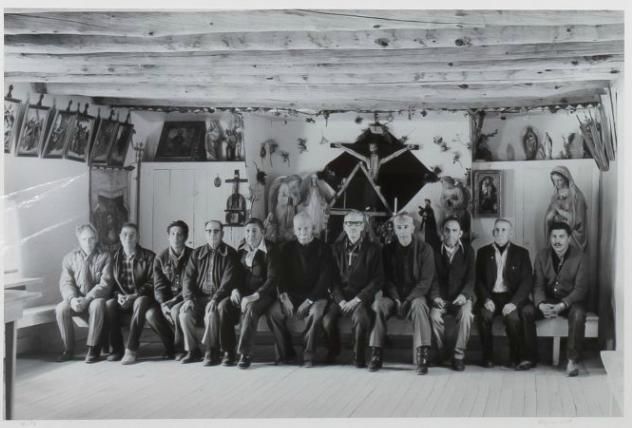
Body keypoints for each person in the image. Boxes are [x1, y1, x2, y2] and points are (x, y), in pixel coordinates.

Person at [370, 213, 435, 374]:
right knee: (378, 305)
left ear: (412, 228)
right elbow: (385, 279)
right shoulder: (387, 250)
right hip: (393, 297)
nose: (403, 231)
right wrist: (396, 299)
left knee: (419, 306)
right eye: (399, 227)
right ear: (395, 230)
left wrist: (408, 299)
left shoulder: (425, 249)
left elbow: (425, 281)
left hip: (415, 296)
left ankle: (422, 356)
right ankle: (376, 353)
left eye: (406, 227)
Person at [268, 212, 334, 367]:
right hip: (291, 295)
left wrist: (309, 301)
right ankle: (285, 353)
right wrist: (284, 298)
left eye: (306, 228)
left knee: (316, 314)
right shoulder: (286, 249)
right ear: (294, 230)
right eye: (299, 229)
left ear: (312, 228)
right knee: (273, 313)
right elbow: (279, 277)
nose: (303, 232)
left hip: (316, 296)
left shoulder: (324, 248)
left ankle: (308, 355)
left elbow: (325, 280)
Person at [106, 223, 175, 364]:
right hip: (123, 300)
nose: (128, 238)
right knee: (109, 304)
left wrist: (135, 295)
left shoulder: (149, 257)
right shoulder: (114, 258)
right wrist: (118, 296)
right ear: (120, 237)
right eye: (125, 234)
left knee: (141, 301)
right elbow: (111, 284)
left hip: (146, 300)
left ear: (138, 237)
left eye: (132, 235)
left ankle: (131, 350)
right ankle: (117, 349)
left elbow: (153, 282)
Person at [323, 210, 384, 368]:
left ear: (363, 226)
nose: (353, 227)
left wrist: (357, 299)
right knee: (327, 320)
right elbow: (331, 279)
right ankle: (334, 349)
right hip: (341, 298)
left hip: (361, 298)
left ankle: (358, 356)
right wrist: (340, 300)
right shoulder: (335, 249)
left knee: (361, 318)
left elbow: (377, 280)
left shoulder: (373, 249)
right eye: (349, 223)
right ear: (344, 226)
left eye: (357, 223)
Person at [475, 219, 537, 370]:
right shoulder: (483, 252)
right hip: (491, 297)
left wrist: (514, 303)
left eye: (504, 230)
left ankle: (515, 357)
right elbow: (478, 280)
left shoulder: (522, 253)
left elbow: (527, 282)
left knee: (512, 317)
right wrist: (486, 299)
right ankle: (487, 357)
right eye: (497, 230)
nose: (500, 233)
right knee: (484, 316)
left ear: (510, 233)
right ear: (493, 232)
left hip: (511, 297)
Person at [179, 220, 240, 366]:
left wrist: (215, 299)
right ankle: (193, 351)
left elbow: (227, 281)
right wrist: (188, 299)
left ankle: (212, 351)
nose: (212, 234)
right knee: (184, 314)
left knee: (211, 314)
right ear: (205, 233)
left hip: (219, 298)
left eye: (216, 231)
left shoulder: (230, 253)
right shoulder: (197, 253)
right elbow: (187, 279)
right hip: (199, 298)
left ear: (222, 234)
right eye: (209, 231)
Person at [534, 222, 588, 377]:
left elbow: (581, 289)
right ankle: (529, 357)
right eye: (554, 236)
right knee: (527, 311)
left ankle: (572, 361)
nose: (557, 240)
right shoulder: (541, 256)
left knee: (578, 315)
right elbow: (538, 285)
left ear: (569, 239)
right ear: (549, 238)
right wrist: (541, 304)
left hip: (571, 302)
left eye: (561, 236)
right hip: (548, 301)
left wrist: (563, 305)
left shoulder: (581, 257)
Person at [55, 224, 112, 363]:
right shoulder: (69, 258)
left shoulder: (105, 256)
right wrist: (72, 299)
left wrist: (87, 299)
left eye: (91, 238)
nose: (88, 243)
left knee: (97, 305)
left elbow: (105, 283)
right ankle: (68, 349)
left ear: (96, 238)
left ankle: (93, 348)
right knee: (61, 308)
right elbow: (66, 283)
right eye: (84, 239)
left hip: (96, 298)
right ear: (79, 240)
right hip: (77, 299)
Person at [429, 216, 475, 371]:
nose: (450, 234)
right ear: (442, 232)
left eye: (454, 230)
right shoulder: (434, 251)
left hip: (461, 297)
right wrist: (435, 296)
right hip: (441, 298)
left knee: (467, 315)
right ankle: (442, 352)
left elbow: (471, 278)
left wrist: (464, 295)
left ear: (460, 233)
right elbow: (432, 278)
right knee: (434, 316)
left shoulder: (468, 251)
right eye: (447, 230)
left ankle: (458, 355)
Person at [234, 218, 279, 369]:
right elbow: (235, 275)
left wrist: (254, 296)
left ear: (263, 232)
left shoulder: (271, 250)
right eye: (247, 231)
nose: (250, 234)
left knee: (251, 308)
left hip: (265, 294)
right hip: (245, 294)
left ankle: (245, 354)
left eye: (254, 231)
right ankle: (224, 351)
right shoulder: (241, 249)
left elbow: (272, 279)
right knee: (225, 305)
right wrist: (235, 290)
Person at [153, 220, 193, 360]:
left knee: (176, 311)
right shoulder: (160, 258)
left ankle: (180, 349)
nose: (176, 238)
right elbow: (158, 285)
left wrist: (175, 301)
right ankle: (170, 347)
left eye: (180, 234)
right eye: (173, 234)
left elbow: (192, 284)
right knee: (151, 315)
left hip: (185, 297)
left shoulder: (193, 256)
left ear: (185, 237)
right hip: (167, 300)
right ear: (168, 237)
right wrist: (163, 303)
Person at [544, 166, 587, 251]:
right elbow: (549, 217)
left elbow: (578, 220)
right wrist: (550, 218)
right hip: (557, 233)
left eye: (559, 180)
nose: (557, 183)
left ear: (566, 179)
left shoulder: (577, 196)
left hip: (572, 235)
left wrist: (559, 211)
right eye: (554, 180)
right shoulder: (555, 194)